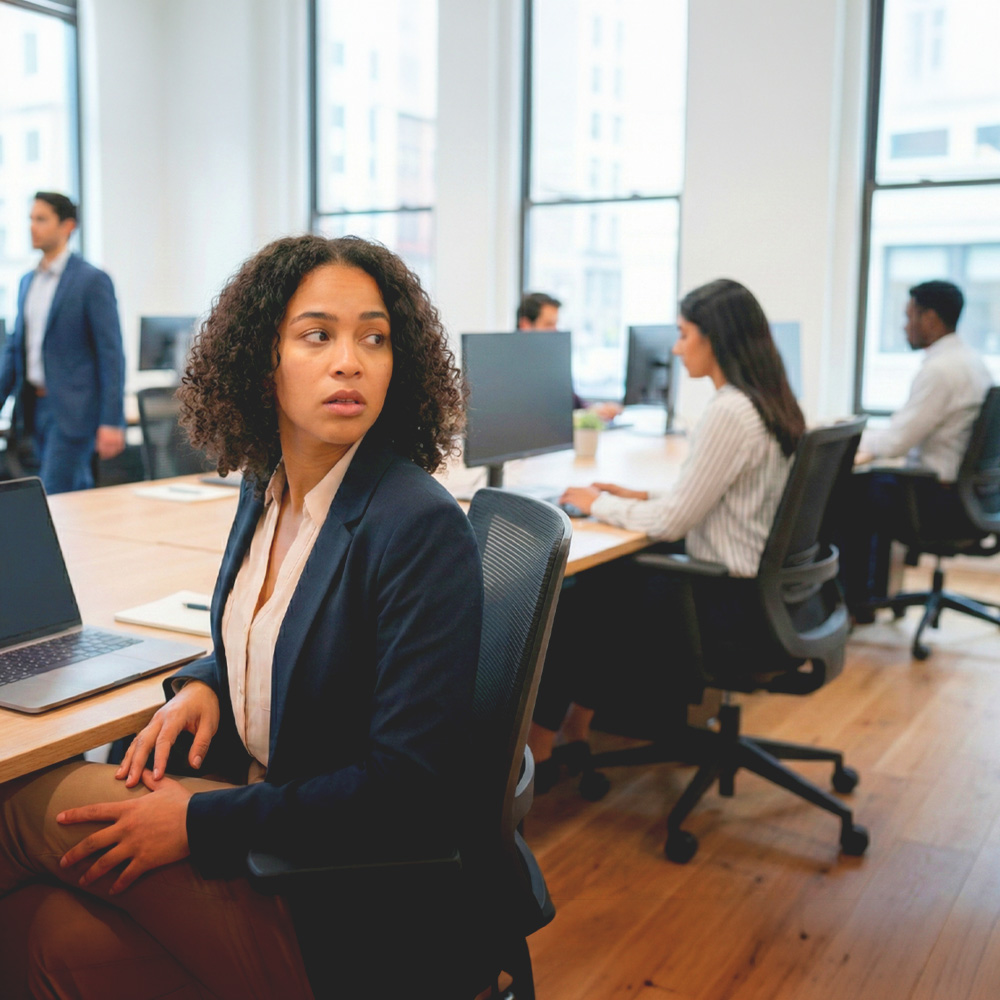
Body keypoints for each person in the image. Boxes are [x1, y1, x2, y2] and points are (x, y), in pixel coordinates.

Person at [0, 234, 483, 998]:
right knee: (39, 933)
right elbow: (280, 636)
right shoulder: (266, 486)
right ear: (264, 362)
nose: (349, 360)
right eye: (317, 335)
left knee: (19, 810)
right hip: (260, 830)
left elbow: (407, 795)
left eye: (374, 338)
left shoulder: (416, 526)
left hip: (329, 891)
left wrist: (200, 823)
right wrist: (206, 682)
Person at [526, 278, 805, 791]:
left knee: (573, 597)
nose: (676, 349)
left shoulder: (728, 411)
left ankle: (539, 749)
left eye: (683, 334)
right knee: (604, 585)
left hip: (725, 602)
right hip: (761, 596)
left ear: (714, 339)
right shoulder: (769, 401)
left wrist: (597, 504)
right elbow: (706, 498)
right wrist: (634, 497)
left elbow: (675, 523)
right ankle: (574, 729)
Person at [844, 279, 992, 620]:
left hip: (939, 501)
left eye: (909, 316)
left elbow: (897, 441)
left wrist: (843, 437)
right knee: (874, 483)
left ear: (930, 319)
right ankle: (875, 596)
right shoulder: (971, 361)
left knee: (850, 490)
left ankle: (858, 603)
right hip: (969, 496)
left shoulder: (941, 371)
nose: (904, 326)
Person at [0, 192, 126, 494]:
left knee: (57, 495)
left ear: (67, 226)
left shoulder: (91, 280)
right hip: (33, 408)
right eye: (31, 219)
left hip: (73, 411)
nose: (32, 226)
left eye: (41, 219)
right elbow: (17, 349)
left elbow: (111, 354)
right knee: (45, 497)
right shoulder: (27, 281)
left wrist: (112, 420)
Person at [517, 291, 621, 420]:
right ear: (525, 325)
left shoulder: (549, 362)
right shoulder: (513, 369)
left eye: (556, 324)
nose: (555, 331)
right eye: (548, 324)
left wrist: (597, 410)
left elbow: (572, 404)